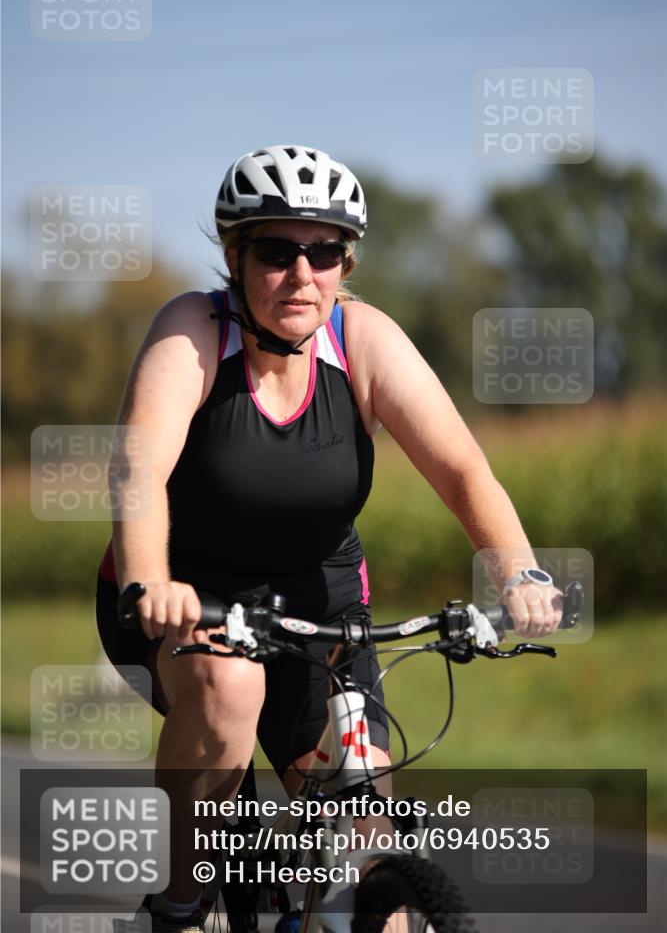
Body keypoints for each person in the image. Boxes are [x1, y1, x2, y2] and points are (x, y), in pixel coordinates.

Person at [97, 144, 563, 932]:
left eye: (324, 253)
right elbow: (137, 467)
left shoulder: (363, 339)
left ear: (346, 263)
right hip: (185, 594)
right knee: (229, 690)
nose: (301, 274)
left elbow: (462, 469)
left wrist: (516, 571)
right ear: (235, 258)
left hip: (324, 609)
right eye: (277, 251)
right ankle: (178, 905)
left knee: (369, 847)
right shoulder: (194, 331)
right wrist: (150, 583)